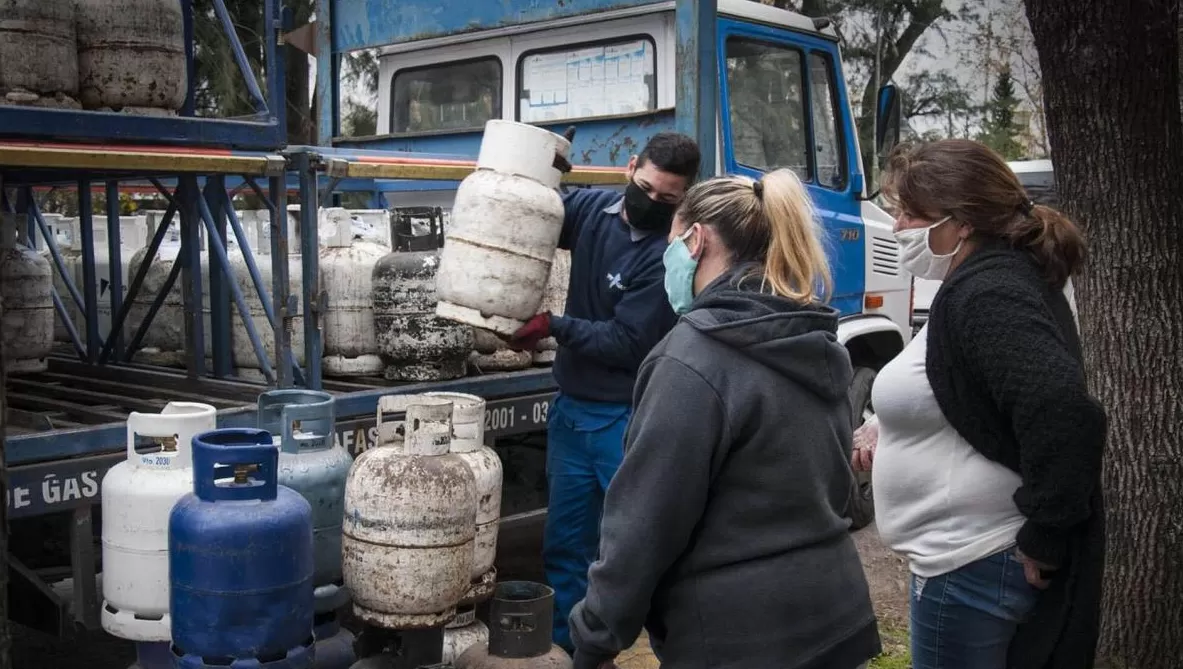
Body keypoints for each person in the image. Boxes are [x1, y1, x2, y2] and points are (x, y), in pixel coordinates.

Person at [566, 170, 882, 669]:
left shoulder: (692, 358)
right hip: (838, 617)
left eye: (671, 242)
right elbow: (833, 484)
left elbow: (644, 525)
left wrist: (596, 639)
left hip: (741, 639)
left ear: (695, 240)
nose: (666, 257)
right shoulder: (812, 335)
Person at [853, 139, 1107, 669]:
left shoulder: (990, 292)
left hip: (972, 561)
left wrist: (1047, 531)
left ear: (961, 222)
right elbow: (967, 384)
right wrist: (888, 425)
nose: (896, 227)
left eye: (909, 214)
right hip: (969, 562)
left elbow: (1062, 411)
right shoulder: (981, 278)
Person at [507, 131, 701, 653]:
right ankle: (569, 651)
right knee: (565, 544)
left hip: (626, 419)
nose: (652, 203)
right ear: (630, 167)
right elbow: (537, 215)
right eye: (646, 188)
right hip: (572, 413)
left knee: (633, 549)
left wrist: (552, 324)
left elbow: (626, 341)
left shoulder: (669, 258)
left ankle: (654, 649)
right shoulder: (593, 209)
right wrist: (536, 173)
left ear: (685, 198)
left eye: (668, 199)